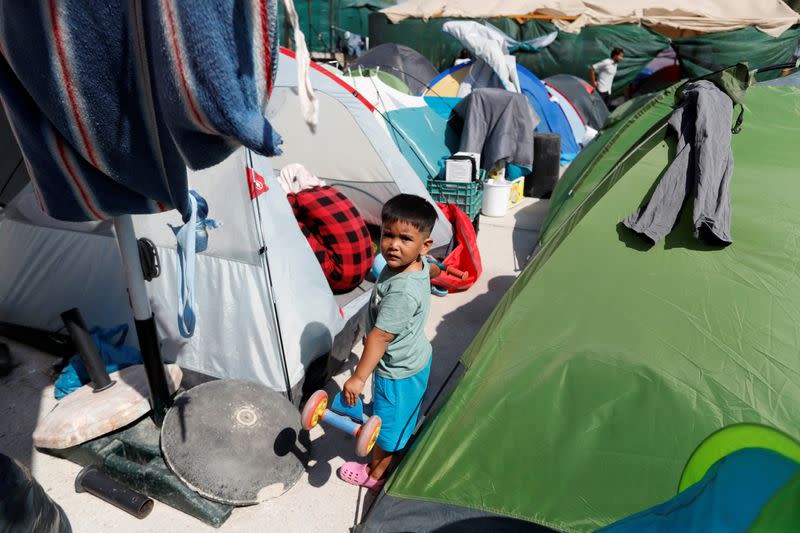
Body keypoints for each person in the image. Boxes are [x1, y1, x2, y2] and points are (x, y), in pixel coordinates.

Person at [337, 194, 437, 491]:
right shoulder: (416, 264)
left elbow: (380, 337)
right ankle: (399, 426)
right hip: (416, 358)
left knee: (388, 432)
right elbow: (430, 266)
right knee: (403, 413)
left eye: (405, 238)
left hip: (396, 372)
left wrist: (357, 377)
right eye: (388, 235)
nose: (393, 245)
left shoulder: (401, 293)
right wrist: (437, 268)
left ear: (424, 245)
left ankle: (376, 473)